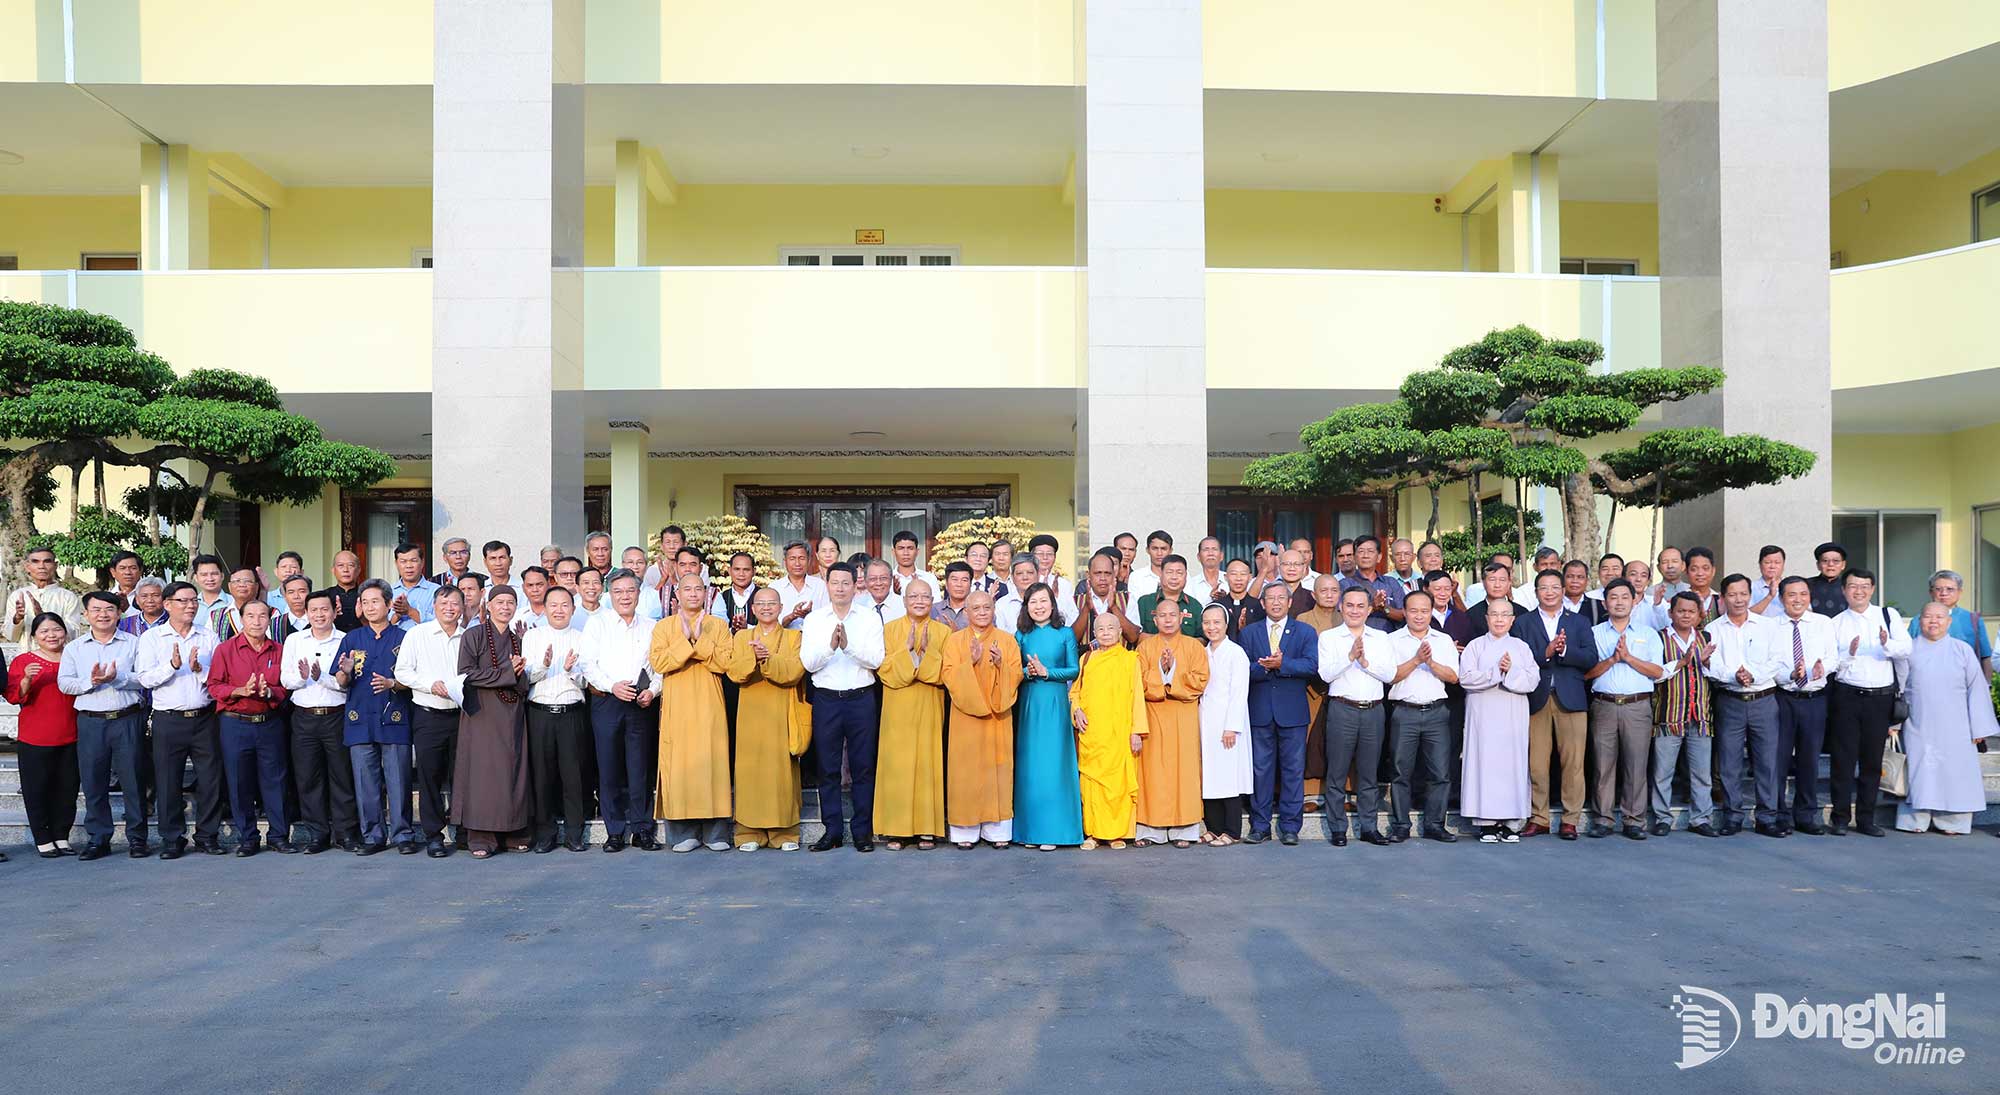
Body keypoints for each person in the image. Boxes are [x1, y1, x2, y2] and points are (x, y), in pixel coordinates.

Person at [135, 580, 225, 858]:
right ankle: (172, 838)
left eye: (194, 601)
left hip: (204, 717)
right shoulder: (153, 638)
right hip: (168, 719)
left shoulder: (208, 637)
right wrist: (172, 667)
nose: (190, 606)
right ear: (167, 604)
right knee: (168, 780)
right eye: (183, 601)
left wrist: (199, 669)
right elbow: (144, 678)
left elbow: (220, 679)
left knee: (210, 780)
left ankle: (207, 835)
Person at [800, 562, 886, 852]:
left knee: (863, 767)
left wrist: (848, 646)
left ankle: (863, 832)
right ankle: (832, 831)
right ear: (827, 584)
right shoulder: (815, 619)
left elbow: (876, 660)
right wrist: (830, 646)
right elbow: (808, 664)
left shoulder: (868, 618)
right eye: (834, 583)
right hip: (826, 699)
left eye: (845, 583)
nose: (840, 588)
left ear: (855, 585)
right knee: (828, 768)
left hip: (861, 698)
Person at [1895, 602, 1997, 835]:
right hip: (1917, 722)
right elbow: (1898, 689)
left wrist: (1978, 727)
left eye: (1939, 617)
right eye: (1928, 616)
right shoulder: (1908, 650)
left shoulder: (1962, 650)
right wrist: (1894, 722)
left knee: (1954, 773)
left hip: (1957, 726)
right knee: (1919, 771)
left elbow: (1977, 690)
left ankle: (1952, 822)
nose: (1933, 621)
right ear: (1919, 621)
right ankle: (1915, 820)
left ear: (1949, 622)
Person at [60, 591, 148, 859]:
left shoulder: (134, 643)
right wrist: (92, 682)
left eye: (109, 609)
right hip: (91, 722)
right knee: (93, 782)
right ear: (85, 615)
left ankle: (137, 838)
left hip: (127, 719)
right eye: (96, 610)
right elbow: (65, 683)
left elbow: (144, 678)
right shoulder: (75, 647)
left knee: (133, 781)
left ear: (119, 613)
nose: (103, 614)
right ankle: (98, 838)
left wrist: (117, 678)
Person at [651, 574, 735, 852]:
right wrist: (687, 640)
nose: (693, 594)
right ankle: (683, 833)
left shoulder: (719, 625)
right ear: (676, 593)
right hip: (678, 706)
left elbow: (726, 664)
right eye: (687, 589)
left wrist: (699, 639)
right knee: (680, 766)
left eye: (698, 589)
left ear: (706, 593)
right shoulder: (664, 627)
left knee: (714, 764)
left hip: (710, 704)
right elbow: (660, 662)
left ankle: (716, 834)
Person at [333, 581, 416, 855]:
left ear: (388, 604)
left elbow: (414, 678)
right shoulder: (352, 639)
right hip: (359, 718)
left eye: (375, 601)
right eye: (365, 602)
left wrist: (393, 683)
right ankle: (373, 836)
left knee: (399, 780)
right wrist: (344, 671)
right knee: (365, 781)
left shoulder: (404, 638)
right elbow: (341, 681)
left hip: (394, 716)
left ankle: (403, 835)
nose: (370, 607)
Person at [206, 599, 294, 855]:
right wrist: (238, 690)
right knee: (239, 781)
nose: (257, 621)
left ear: (269, 620)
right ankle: (248, 837)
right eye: (251, 616)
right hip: (236, 724)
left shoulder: (279, 649)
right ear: (241, 619)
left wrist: (270, 693)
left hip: (270, 723)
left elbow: (287, 685)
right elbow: (214, 685)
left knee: (276, 782)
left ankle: (279, 836)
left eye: (262, 616)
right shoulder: (225, 649)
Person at [1583, 579, 1669, 840]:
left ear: (1634, 601)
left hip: (1637, 706)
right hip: (1604, 705)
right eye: (1613, 597)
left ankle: (1634, 820)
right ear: (1605, 602)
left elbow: (1658, 671)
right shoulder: (1595, 633)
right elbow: (1586, 673)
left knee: (1636, 764)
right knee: (1602, 765)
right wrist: (1612, 659)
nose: (1619, 602)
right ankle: (1603, 819)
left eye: (1624, 597)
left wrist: (1629, 658)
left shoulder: (1648, 634)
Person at [582, 569, 661, 851]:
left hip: (641, 703)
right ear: (609, 595)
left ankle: (642, 829)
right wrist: (611, 685)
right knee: (609, 767)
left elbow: (659, 667)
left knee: (640, 768)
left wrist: (653, 691)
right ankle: (614, 830)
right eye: (618, 591)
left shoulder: (652, 626)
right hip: (607, 701)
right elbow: (588, 664)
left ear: (639, 593)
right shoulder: (597, 624)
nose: (625, 596)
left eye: (630, 590)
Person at [729, 586, 812, 851]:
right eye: (761, 604)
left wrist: (768, 660)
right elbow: (733, 671)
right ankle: (748, 832)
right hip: (751, 713)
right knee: (749, 770)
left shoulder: (793, 637)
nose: (766, 608)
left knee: (781, 771)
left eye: (772, 603)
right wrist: (753, 658)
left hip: (780, 711)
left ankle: (784, 833)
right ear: (752, 609)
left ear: (780, 607)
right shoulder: (742, 637)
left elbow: (794, 671)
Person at [937, 591, 1023, 848]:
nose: (982, 612)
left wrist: (1001, 666)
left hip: (997, 717)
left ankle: (997, 832)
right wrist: (970, 663)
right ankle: (965, 831)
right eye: (976, 608)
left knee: (997, 771)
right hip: (966, 719)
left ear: (994, 609)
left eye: (987, 607)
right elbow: (948, 676)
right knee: (966, 772)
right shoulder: (954, 642)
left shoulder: (1006, 641)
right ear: (966, 612)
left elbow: (1016, 674)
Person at [1514, 570, 1596, 839]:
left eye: (1554, 587)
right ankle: (1539, 817)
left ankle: (1570, 819)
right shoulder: (1523, 622)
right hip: (1535, 698)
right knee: (1536, 763)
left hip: (1571, 699)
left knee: (1573, 763)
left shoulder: (1580, 622)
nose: (1549, 592)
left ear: (1563, 590)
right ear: (1535, 591)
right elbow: (1518, 659)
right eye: (1543, 588)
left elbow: (1590, 658)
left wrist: (1563, 651)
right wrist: (1546, 653)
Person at [452, 585, 532, 858]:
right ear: (488, 605)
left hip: (512, 713)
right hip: (482, 714)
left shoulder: (518, 639)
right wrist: (508, 671)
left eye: (511, 602)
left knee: (512, 771)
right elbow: (467, 674)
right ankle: (481, 837)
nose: (505, 607)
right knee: (483, 774)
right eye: (500, 602)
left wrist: (519, 674)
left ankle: (512, 832)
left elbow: (524, 683)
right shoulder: (473, 635)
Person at [1703, 573, 1784, 838]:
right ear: (1723, 598)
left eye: (1743, 594)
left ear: (1750, 595)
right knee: (1729, 762)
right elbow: (1711, 665)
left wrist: (1752, 675)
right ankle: (1732, 816)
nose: (1738, 599)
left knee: (1767, 762)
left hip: (1763, 700)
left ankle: (1767, 817)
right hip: (1730, 701)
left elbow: (1776, 660)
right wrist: (1733, 676)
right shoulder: (1714, 629)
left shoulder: (1767, 626)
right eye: (1732, 594)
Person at [1828, 568, 1907, 837]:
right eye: (1852, 586)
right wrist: (1848, 654)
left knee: (1872, 762)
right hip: (1847, 696)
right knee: (1843, 760)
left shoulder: (1888, 616)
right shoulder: (1835, 623)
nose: (1858, 591)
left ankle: (1866, 819)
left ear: (1872, 589)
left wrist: (1887, 645)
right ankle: (1839, 818)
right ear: (1843, 590)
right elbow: (1830, 665)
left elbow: (1906, 648)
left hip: (1880, 698)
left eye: (1864, 586)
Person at [1240, 579, 1317, 845]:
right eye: (1270, 598)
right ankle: (1259, 826)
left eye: (1280, 598)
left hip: (1293, 712)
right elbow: (1242, 670)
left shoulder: (1304, 632)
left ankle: (1290, 827)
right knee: (1260, 770)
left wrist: (1283, 664)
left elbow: (1311, 666)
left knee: (1293, 770)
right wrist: (1264, 667)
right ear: (1262, 603)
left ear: (1289, 602)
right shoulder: (1249, 633)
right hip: (1260, 711)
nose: (1275, 602)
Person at [1316, 587, 1395, 846]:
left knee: (1369, 773)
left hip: (1373, 710)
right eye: (1349, 605)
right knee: (1337, 772)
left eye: (1361, 606)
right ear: (1341, 606)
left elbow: (1389, 674)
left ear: (1370, 609)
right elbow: (1326, 674)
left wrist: (1365, 662)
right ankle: (1338, 828)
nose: (1354, 610)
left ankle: (1369, 827)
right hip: (1342, 709)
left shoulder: (1381, 637)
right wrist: (1350, 656)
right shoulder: (1329, 637)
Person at [281, 589, 357, 853]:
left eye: (324, 609)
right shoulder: (294, 640)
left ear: (335, 611)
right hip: (303, 718)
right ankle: (317, 834)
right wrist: (304, 677)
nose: (319, 615)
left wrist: (322, 676)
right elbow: (286, 680)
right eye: (313, 610)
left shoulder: (346, 640)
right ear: (306, 612)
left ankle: (345, 833)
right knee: (308, 777)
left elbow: (347, 686)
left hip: (336, 717)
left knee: (341, 776)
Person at [1457, 598, 1539, 843]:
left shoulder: (1521, 647)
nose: (1500, 619)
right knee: (1483, 764)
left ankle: (1511, 822)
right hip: (1483, 715)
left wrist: (1510, 671)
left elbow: (1533, 679)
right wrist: (1496, 673)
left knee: (1512, 765)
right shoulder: (1475, 646)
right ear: (1487, 618)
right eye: (1495, 614)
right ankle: (1486, 823)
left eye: (1505, 615)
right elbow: (1466, 677)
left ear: (1513, 619)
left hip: (1512, 715)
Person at [395, 583, 468, 857]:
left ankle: (463, 831)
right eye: (444, 603)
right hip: (428, 715)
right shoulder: (418, 634)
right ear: (434, 607)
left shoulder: (469, 636)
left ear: (462, 608)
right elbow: (403, 672)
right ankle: (433, 835)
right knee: (429, 777)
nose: (449, 608)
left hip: (462, 715)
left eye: (455, 604)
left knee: (462, 777)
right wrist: (429, 684)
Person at [1385, 589, 1460, 842]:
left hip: (1437, 712)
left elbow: (1453, 676)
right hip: (1404, 712)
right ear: (1404, 612)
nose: (1419, 616)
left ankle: (1435, 824)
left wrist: (1432, 664)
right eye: (1414, 610)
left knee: (1440, 772)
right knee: (1400, 772)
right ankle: (1400, 825)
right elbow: (1390, 676)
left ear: (1432, 612)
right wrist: (1417, 660)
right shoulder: (1392, 640)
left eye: (1424, 611)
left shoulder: (1443, 640)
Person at [520, 586, 590, 853]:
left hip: (571, 713)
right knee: (542, 776)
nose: (559, 610)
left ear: (573, 609)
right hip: (540, 713)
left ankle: (575, 834)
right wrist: (545, 665)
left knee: (574, 776)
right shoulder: (532, 637)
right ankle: (545, 834)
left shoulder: (582, 637)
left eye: (565, 605)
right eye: (554, 605)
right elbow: (527, 678)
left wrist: (571, 671)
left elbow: (586, 681)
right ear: (544, 608)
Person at [1133, 598, 1208, 847]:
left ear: (1181, 618)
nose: (1167, 620)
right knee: (1152, 771)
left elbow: (1200, 680)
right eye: (1162, 616)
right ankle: (1150, 829)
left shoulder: (1194, 647)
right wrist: (1161, 675)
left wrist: (1171, 674)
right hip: (1154, 714)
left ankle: (1183, 830)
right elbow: (1138, 682)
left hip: (1183, 715)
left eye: (1172, 615)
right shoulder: (1144, 648)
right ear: (1154, 620)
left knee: (1183, 771)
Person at [1014, 583, 1083, 850]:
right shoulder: (1021, 635)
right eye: (1033, 602)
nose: (1039, 606)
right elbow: (1014, 668)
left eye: (1043, 601)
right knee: (1030, 765)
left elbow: (1074, 669)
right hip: (1030, 703)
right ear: (1026, 607)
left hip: (1055, 702)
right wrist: (1030, 671)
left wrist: (1047, 672)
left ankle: (1056, 832)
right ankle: (1030, 832)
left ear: (1052, 604)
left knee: (1054, 764)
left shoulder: (1064, 633)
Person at [1070, 611, 1144, 849]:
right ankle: (1091, 833)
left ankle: (1116, 834)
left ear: (1120, 632)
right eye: (1100, 629)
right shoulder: (1087, 660)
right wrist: (1077, 710)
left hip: (1119, 732)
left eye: (1111, 628)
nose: (1106, 632)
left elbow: (1137, 698)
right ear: (1093, 634)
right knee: (1091, 785)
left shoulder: (1130, 660)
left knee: (1117, 784)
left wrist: (1137, 731)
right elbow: (1075, 692)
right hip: (1092, 733)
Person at [1773, 576, 1839, 836]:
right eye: (1791, 594)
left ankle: (1806, 815)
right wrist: (1790, 674)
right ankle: (1777, 813)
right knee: (1777, 760)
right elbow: (1770, 662)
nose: (1797, 599)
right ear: (1781, 598)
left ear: (1809, 597)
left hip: (1814, 700)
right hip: (1783, 698)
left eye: (1802, 594)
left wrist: (1823, 668)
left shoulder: (1823, 623)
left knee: (1809, 760)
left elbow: (1834, 656)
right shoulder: (1771, 626)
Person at [12, 612, 80, 857]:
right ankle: (43, 838)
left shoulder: (75, 657)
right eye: (44, 631)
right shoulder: (24, 660)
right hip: (35, 737)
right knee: (37, 789)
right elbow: (14, 696)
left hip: (72, 734)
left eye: (56, 629)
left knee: (68, 789)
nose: (51, 635)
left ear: (65, 632)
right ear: (34, 637)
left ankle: (62, 835)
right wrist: (27, 679)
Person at [1652, 592, 1718, 837]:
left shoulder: (1706, 638)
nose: (1686, 615)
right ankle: (1661, 818)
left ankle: (1701, 819)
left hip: (1700, 716)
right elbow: (1655, 674)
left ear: (1700, 614)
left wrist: (1705, 662)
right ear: (1671, 612)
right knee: (1663, 772)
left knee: (1701, 773)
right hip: (1668, 715)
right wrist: (1682, 662)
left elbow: (1718, 674)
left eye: (1691, 611)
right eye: (1681, 611)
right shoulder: (1659, 638)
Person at [1196, 604, 1252, 845]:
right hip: (1205, 721)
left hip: (1228, 723)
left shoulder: (1235, 652)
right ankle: (1213, 827)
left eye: (1217, 622)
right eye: (1207, 622)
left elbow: (1239, 693)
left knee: (1228, 776)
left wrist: (1231, 726)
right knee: (1209, 775)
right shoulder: (1201, 652)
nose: (1212, 627)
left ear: (1226, 624)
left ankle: (1231, 830)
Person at [1913, 570, 1992, 674]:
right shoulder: (1918, 620)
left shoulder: (1973, 619)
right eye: (1938, 589)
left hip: (1964, 682)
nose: (1944, 593)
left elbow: (1985, 656)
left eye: (1950, 589)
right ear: (1931, 592)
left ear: (1960, 592)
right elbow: (1906, 654)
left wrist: (1987, 684)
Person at [7, 546, 83, 641]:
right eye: (35, 561)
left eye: (47, 561)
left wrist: (43, 616)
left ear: (55, 565)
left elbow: (74, 634)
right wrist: (18, 618)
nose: (41, 566)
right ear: (27, 567)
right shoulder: (18, 596)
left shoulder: (67, 597)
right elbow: (11, 637)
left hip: (58, 654)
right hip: (27, 652)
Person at [1073, 547, 1139, 647]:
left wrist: (1114, 607)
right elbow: (1072, 639)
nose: (1103, 578)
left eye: (1107, 573)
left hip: (1120, 661)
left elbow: (1133, 637)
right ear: (1088, 575)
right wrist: (1086, 608)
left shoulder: (1128, 598)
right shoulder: (1076, 600)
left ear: (1114, 575)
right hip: (1087, 661)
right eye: (1098, 573)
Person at [1339, 535, 1405, 631]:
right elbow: (1341, 616)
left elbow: (1403, 615)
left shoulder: (1391, 583)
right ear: (1354, 557)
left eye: (1370, 551)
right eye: (1361, 551)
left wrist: (1384, 608)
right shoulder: (1344, 584)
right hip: (1356, 638)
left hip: (1388, 639)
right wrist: (1373, 606)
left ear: (1379, 557)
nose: (1365, 555)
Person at [1129, 554, 1202, 637]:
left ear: (1186, 576)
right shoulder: (1144, 602)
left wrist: (1181, 644)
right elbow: (1135, 636)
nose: (1174, 577)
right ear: (1161, 574)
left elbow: (1203, 639)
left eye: (1179, 573)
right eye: (1169, 572)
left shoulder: (1195, 605)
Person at [772, 541, 828, 629]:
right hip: (784, 640)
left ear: (809, 560)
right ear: (785, 561)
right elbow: (770, 625)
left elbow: (827, 619)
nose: (797, 563)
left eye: (802, 558)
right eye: (792, 559)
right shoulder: (774, 588)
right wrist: (792, 616)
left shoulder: (820, 586)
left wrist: (809, 615)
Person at [388, 542, 440, 630]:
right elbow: (382, 627)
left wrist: (410, 611)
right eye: (403, 561)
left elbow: (440, 624)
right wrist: (397, 615)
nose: (408, 566)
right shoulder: (389, 591)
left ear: (422, 562)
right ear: (396, 564)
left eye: (413, 561)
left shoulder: (437, 591)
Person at [1209, 558, 1258, 641]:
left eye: (1243, 574)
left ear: (1250, 577)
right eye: (1233, 574)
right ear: (1225, 577)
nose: (1238, 578)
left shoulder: (1258, 606)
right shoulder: (1217, 606)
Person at [1027, 533, 1075, 606]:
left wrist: (1055, 597)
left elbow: (1072, 615)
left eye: (1049, 554)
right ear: (1032, 556)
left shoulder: (1064, 584)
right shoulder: (1024, 581)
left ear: (1055, 557)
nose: (1045, 557)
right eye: (1040, 554)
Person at [1126, 530, 1173, 601]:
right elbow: (1134, 606)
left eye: (1163, 549)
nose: (1159, 553)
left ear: (1170, 550)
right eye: (1155, 548)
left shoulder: (1181, 575)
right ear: (1147, 550)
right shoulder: (1136, 576)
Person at [1804, 541, 1848, 617]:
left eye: (1836, 561)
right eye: (1825, 561)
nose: (1830, 564)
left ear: (1843, 565)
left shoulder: (1849, 586)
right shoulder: (1805, 585)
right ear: (1818, 565)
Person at [858, 558, 906, 626]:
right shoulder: (857, 606)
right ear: (865, 582)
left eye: (883, 578)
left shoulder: (904, 606)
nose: (878, 583)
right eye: (873, 579)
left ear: (891, 580)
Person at [328, 550, 364, 632]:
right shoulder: (325, 596)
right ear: (333, 570)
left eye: (350, 565)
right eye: (340, 565)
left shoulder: (366, 595)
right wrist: (331, 614)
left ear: (358, 570)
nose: (345, 570)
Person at [1187, 536, 1225, 605]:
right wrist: (1210, 598)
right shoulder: (1190, 584)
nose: (1210, 553)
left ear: (1221, 556)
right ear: (1198, 557)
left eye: (1214, 549)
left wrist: (1226, 599)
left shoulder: (1231, 580)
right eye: (1206, 549)